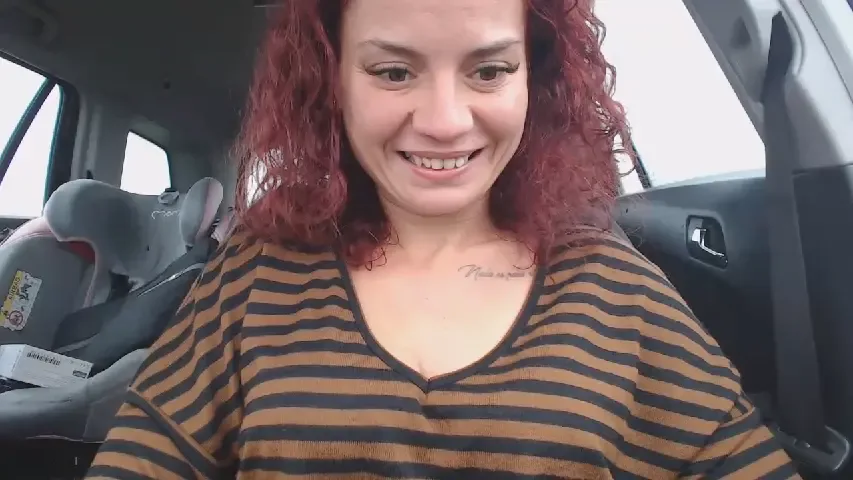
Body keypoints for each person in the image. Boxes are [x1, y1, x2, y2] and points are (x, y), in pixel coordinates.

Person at [85, 0, 800, 478]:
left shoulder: (615, 288)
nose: (444, 121)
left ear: (535, 77)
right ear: (333, 80)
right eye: (393, 72)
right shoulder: (257, 272)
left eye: (488, 70)